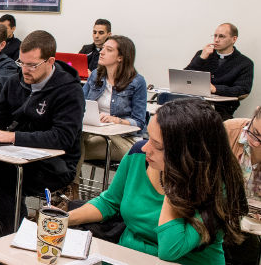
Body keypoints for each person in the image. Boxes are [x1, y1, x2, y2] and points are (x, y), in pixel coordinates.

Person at [68, 99, 247, 264]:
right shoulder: (138, 155)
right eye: (148, 139)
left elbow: (170, 250)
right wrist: (64, 220)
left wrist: (174, 179)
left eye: (158, 145)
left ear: (187, 155)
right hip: (124, 258)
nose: (146, 148)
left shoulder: (215, 185)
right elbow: (109, 202)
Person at [0, 30, 85, 233]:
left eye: (32, 65)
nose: (25, 70)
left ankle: (12, 232)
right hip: (16, 154)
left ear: (50, 61)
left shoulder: (69, 90)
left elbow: (62, 138)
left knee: (4, 177)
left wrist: (12, 137)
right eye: (22, 63)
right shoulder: (15, 81)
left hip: (56, 164)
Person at [81, 35, 148, 163]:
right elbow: (80, 103)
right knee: (72, 139)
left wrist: (116, 120)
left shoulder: (137, 82)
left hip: (122, 139)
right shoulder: (95, 75)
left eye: (109, 50)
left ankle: (71, 183)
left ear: (120, 57)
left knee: (73, 149)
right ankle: (71, 183)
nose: (102, 52)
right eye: (103, 48)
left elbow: (139, 122)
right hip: (94, 132)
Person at [184, 23, 254, 120]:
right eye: (215, 36)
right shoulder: (203, 54)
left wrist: (215, 89)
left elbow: (242, 90)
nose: (216, 40)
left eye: (221, 36)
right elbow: (185, 78)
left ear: (234, 39)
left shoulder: (245, 63)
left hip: (221, 108)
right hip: (194, 103)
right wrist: (201, 59)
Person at [223, 106, 261, 265]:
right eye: (256, 133)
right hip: (221, 219)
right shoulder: (229, 130)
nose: (256, 143)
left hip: (251, 229)